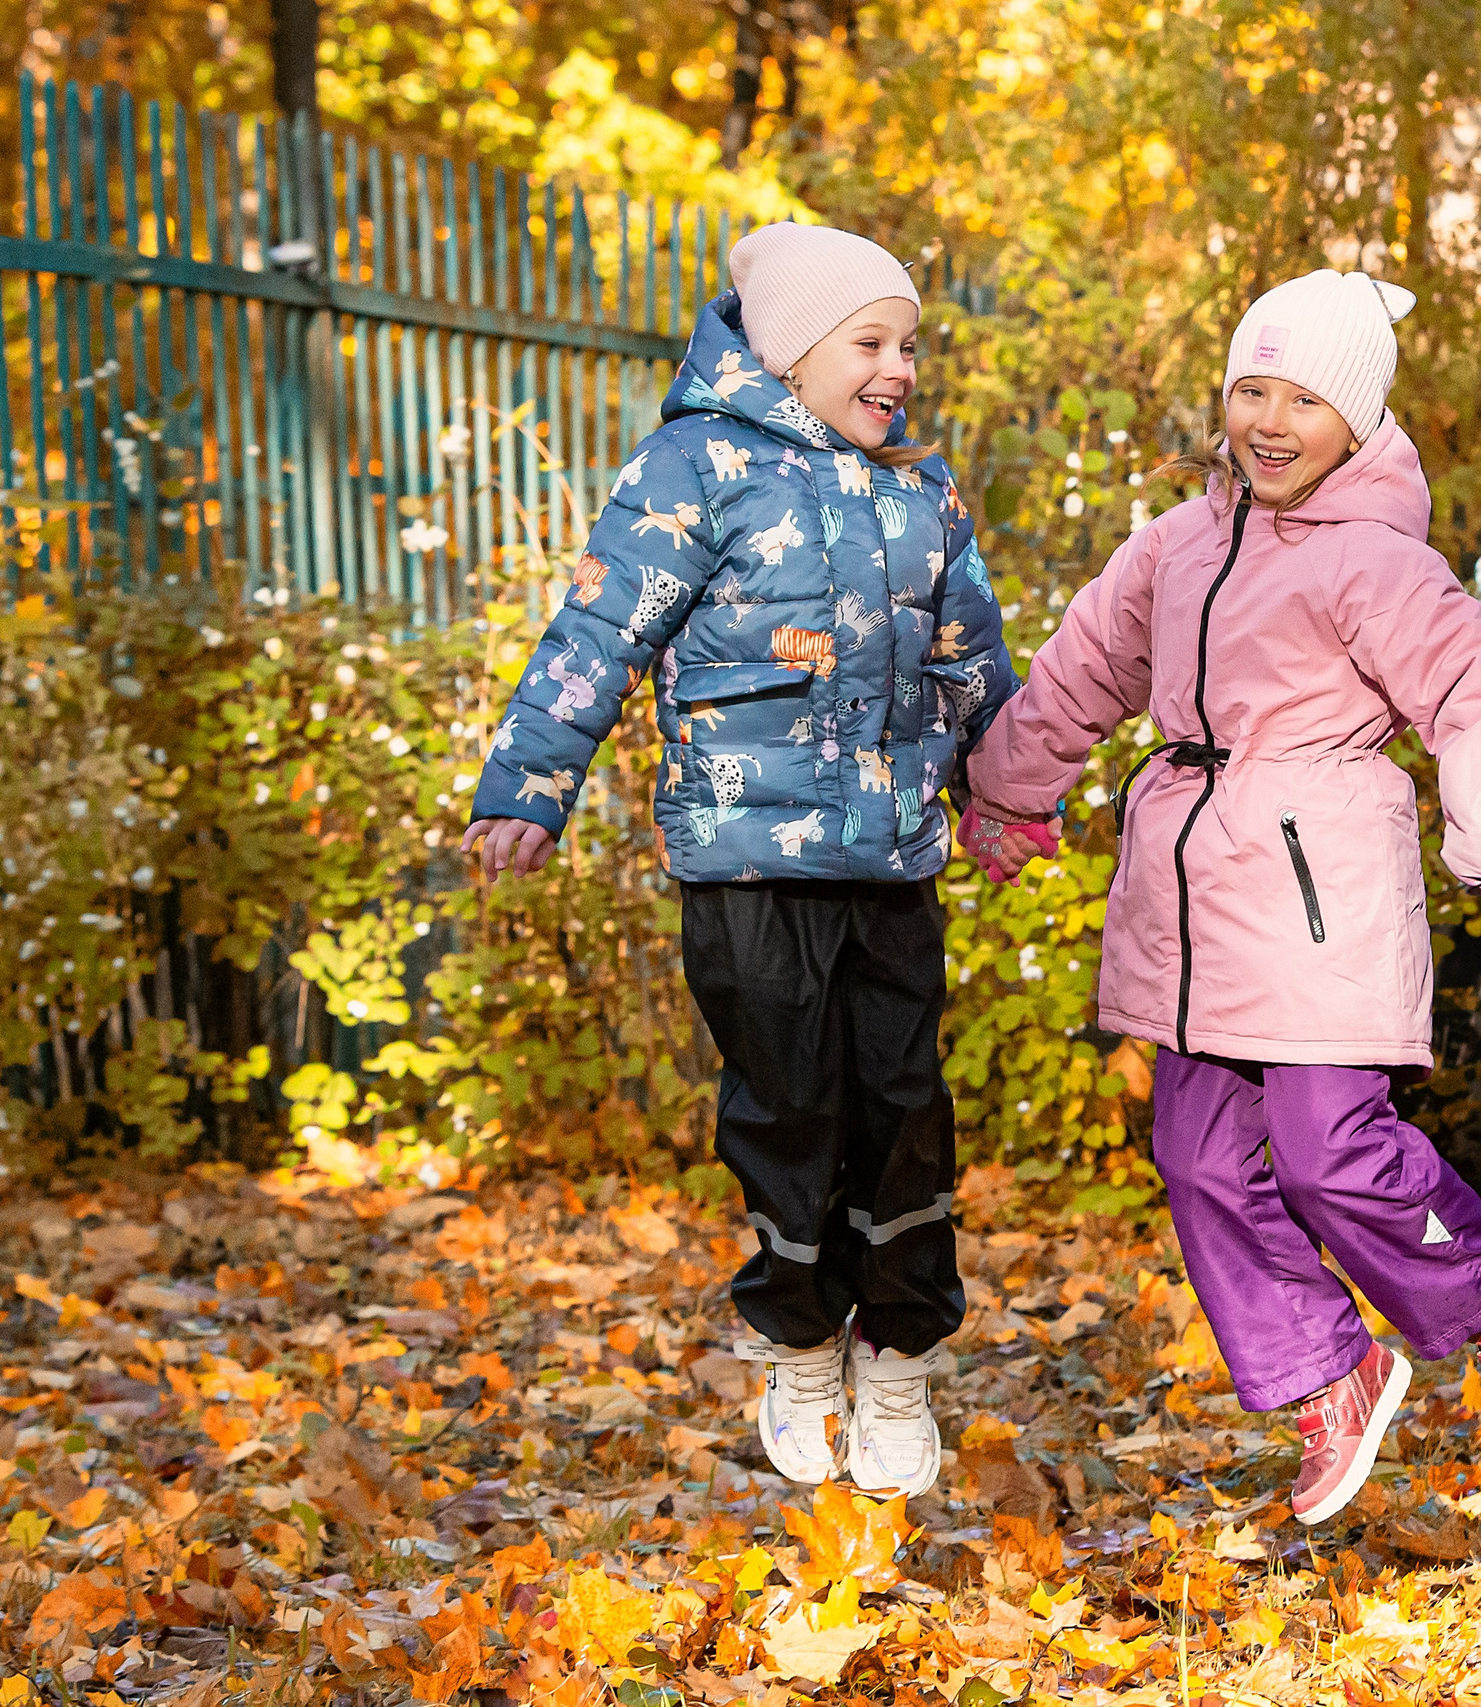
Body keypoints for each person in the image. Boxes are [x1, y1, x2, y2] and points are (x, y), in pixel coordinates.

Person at [960, 269, 1481, 1523]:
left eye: (1305, 399)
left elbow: (1474, 693)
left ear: (1356, 424)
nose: (1271, 419)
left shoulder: (1375, 565)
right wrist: (1009, 789)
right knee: (1197, 1164)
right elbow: (1086, 665)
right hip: (1191, 912)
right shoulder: (1174, 546)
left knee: (1329, 1154)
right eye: (1252, 388)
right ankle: (1326, 1375)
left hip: (1319, 897)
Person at [461, 222, 1023, 1497]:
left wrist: (1006, 787)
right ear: (787, 352)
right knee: (786, 1106)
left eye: (909, 346)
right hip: (747, 865)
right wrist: (528, 790)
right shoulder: (695, 467)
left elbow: (978, 659)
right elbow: (598, 628)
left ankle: (897, 1354)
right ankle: (798, 1339)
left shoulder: (920, 492)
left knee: (904, 1112)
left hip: (889, 865)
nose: (900, 370)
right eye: (870, 343)